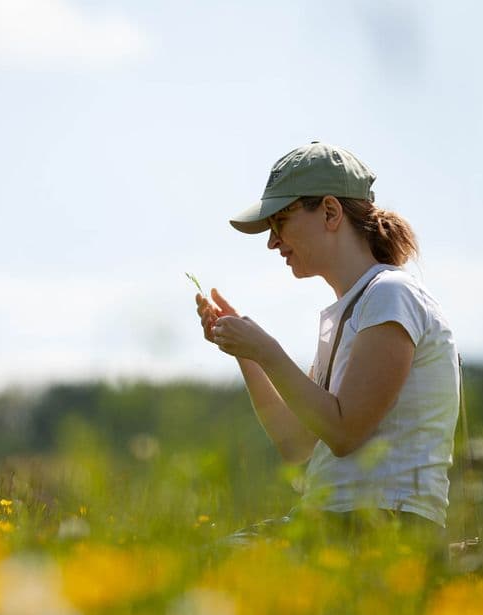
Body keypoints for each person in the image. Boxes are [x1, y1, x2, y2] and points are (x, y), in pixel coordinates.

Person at [195, 141, 459, 544]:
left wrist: (265, 348)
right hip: (337, 522)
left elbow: (343, 432)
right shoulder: (355, 308)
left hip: (383, 526)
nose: (272, 241)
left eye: (280, 220)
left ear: (331, 213)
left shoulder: (391, 294)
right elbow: (294, 443)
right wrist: (244, 353)